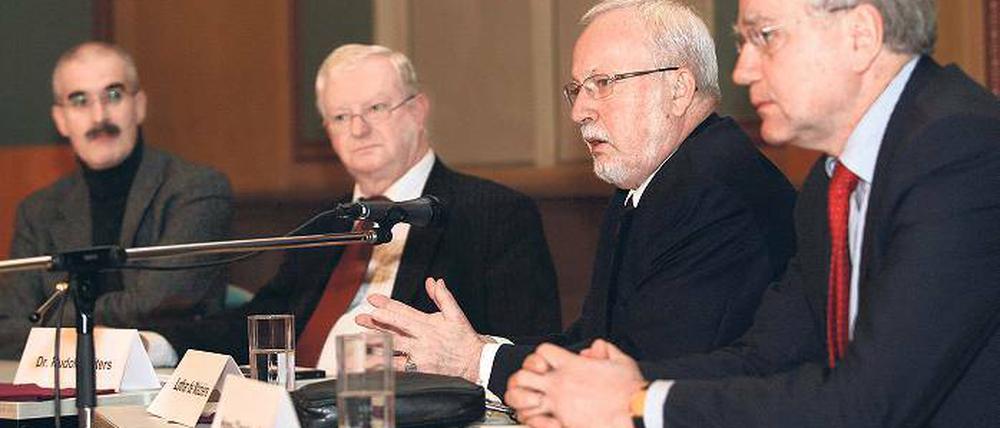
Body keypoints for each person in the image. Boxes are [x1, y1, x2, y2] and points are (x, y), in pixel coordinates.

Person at [506, 0, 1000, 427]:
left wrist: (636, 402)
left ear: (860, 35)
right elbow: (766, 359)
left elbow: (870, 405)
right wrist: (619, 382)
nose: (742, 71)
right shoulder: (831, 181)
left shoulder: (960, 153)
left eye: (765, 37)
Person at [357, 0, 797, 399]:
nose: (579, 111)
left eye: (602, 83)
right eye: (577, 89)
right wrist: (485, 350)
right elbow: (596, 343)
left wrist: (476, 362)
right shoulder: (650, 184)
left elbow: (643, 375)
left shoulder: (716, 191)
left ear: (679, 88)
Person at [153, 44, 561, 372]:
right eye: (341, 116)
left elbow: (527, 346)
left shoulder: (494, 213)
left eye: (376, 109)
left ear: (417, 111)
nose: (358, 129)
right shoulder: (326, 225)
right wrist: (155, 344)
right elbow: (257, 324)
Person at [0, 41, 233, 358]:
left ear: (139, 105)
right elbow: (9, 327)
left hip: (168, 387)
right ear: (60, 120)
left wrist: (60, 323)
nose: (100, 116)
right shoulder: (37, 211)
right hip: (61, 389)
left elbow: (159, 305)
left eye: (113, 95)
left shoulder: (198, 190)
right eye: (79, 100)